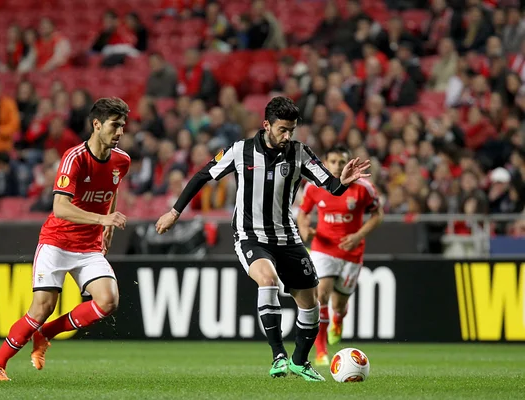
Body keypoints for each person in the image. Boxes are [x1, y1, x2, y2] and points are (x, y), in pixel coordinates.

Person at [155, 97, 370, 381]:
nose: (287, 135)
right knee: (267, 280)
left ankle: (299, 361)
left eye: (291, 130)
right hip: (250, 235)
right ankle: (278, 356)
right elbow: (202, 175)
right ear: (266, 124)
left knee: (310, 302)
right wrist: (174, 212)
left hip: (287, 237)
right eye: (282, 129)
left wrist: (342, 181)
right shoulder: (240, 150)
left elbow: (330, 186)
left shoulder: (300, 153)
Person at [0, 98, 131, 381]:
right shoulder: (74, 158)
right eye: (114, 125)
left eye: (122, 126)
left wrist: (107, 225)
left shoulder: (121, 161)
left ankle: (46, 334)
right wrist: (103, 220)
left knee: (108, 301)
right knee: (42, 308)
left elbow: (111, 191)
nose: (120, 132)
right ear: (96, 124)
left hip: (88, 246)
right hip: (57, 242)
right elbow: (60, 208)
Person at [296, 144, 383, 366]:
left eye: (341, 162)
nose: (336, 166)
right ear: (325, 164)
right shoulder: (314, 187)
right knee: (321, 295)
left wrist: (358, 236)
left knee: (340, 304)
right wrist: (305, 229)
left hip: (352, 251)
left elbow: (377, 214)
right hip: (323, 248)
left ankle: (338, 320)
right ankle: (321, 352)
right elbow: (302, 214)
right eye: (333, 162)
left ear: (349, 164)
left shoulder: (363, 188)